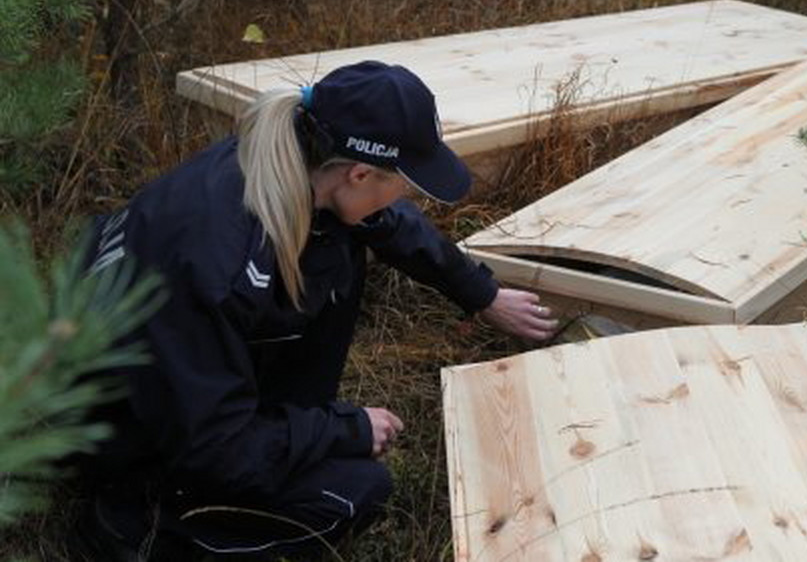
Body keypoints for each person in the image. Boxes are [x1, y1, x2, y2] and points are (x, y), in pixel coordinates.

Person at [71, 60, 557, 560]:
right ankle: (140, 527)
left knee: (338, 245)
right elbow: (217, 450)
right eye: (406, 181)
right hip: (121, 431)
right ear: (360, 172)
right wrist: (345, 429)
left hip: (173, 383)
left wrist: (482, 294)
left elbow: (390, 222)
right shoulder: (216, 266)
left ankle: (277, 432)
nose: (409, 195)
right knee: (351, 493)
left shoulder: (283, 162)